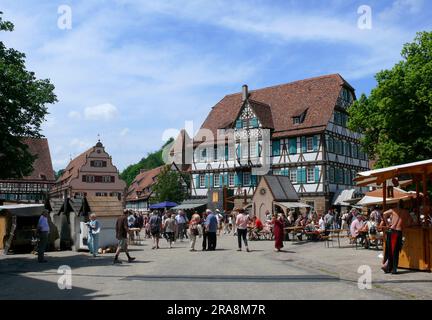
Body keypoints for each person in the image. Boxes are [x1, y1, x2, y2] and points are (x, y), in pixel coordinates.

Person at [381, 200, 414, 274]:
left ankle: (388, 267)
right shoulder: (406, 212)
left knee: (389, 250)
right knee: (395, 251)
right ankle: (393, 269)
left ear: (397, 204)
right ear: (404, 205)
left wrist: (387, 223)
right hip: (398, 232)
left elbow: (384, 213)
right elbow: (411, 222)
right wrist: (405, 225)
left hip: (390, 231)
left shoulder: (393, 210)